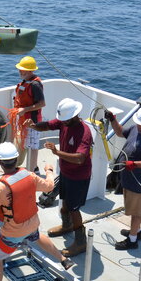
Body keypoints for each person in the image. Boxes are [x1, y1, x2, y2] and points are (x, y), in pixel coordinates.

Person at [0, 142, 74, 281]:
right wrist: (49, 171)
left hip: (12, 233)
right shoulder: (29, 175)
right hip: (32, 223)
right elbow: (50, 186)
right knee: (35, 235)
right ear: (16, 159)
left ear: (0, 162)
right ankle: (63, 259)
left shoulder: (0, 188)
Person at [27, 98, 94, 257]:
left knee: (74, 208)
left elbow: (80, 158)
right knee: (65, 202)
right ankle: (67, 225)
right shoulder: (65, 122)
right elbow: (48, 125)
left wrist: (57, 152)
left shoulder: (84, 132)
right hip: (66, 172)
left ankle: (81, 242)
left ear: (75, 116)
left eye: (65, 120)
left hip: (78, 177)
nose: (62, 122)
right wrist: (34, 126)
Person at [105, 105, 141, 250]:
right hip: (128, 178)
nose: (139, 126)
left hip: (139, 181)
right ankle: (136, 232)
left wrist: (135, 164)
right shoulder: (135, 129)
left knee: (136, 212)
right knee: (132, 208)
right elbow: (119, 132)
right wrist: (113, 120)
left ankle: (132, 240)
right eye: (138, 123)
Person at [13, 56, 45, 173]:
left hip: (33, 122)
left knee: (32, 146)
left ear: (30, 71)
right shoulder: (25, 82)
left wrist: (25, 109)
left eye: (23, 70)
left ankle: (32, 171)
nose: (20, 71)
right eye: (20, 69)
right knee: (25, 144)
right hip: (23, 120)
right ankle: (32, 167)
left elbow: (42, 103)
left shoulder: (35, 85)